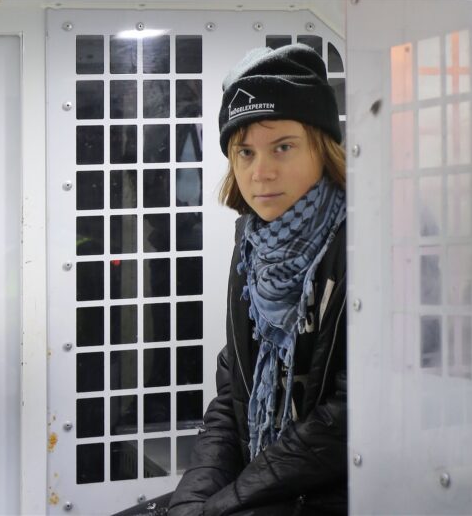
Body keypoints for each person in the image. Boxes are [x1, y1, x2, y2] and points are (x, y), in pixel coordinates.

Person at [113, 42, 347, 516]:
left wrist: (224, 503)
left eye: (283, 146)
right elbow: (232, 399)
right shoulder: (252, 246)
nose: (260, 173)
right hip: (269, 479)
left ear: (323, 148)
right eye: (244, 152)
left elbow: (347, 419)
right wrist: (194, 499)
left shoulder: (369, 243)